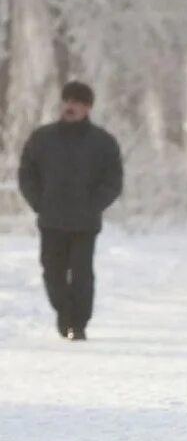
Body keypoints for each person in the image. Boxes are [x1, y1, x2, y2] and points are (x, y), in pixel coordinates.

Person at [17, 81, 123, 341]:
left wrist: (94, 204)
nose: (71, 106)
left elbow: (113, 180)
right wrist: (38, 202)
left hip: (84, 223)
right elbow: (26, 173)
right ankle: (64, 312)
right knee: (51, 271)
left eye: (77, 102)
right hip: (51, 218)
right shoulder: (42, 138)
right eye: (67, 101)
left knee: (81, 273)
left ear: (88, 108)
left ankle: (80, 322)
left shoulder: (103, 142)